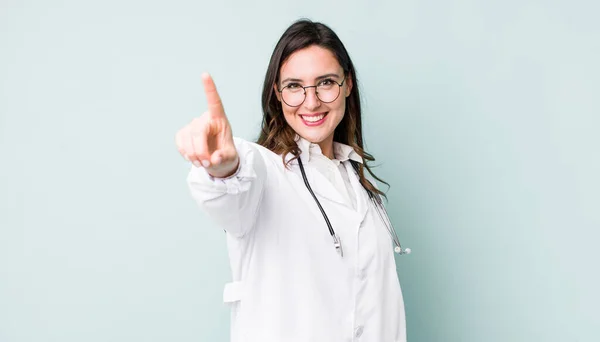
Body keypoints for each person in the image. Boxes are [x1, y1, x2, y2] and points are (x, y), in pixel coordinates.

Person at [176, 19, 407, 342]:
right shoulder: (264, 173)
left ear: (348, 84)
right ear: (277, 93)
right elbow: (231, 186)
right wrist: (223, 167)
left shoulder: (361, 187)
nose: (311, 102)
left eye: (325, 82)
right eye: (295, 86)